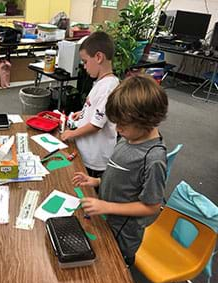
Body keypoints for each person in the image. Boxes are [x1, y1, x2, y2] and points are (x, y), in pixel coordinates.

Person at [72, 74, 168, 265]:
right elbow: (123, 177)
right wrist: (97, 181)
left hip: (123, 236)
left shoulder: (153, 158)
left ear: (145, 120)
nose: (117, 129)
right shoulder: (128, 139)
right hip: (105, 221)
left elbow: (152, 206)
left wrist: (107, 206)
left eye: (122, 124)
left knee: (112, 270)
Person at [61, 31, 119, 179]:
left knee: (87, 191)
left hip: (94, 158)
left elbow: (96, 125)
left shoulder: (108, 87)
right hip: (86, 150)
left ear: (99, 57)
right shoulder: (102, 83)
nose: (84, 67)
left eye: (85, 61)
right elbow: (97, 109)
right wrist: (83, 113)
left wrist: (71, 133)